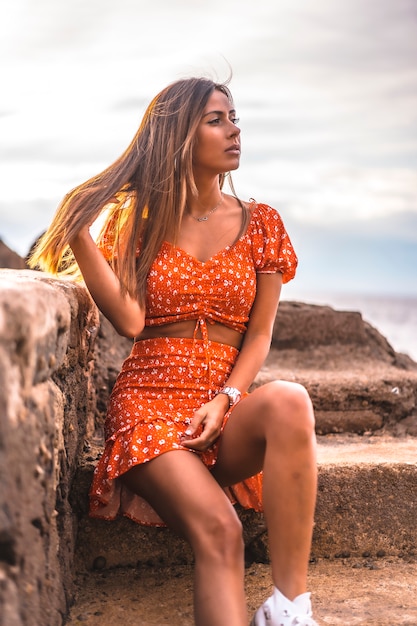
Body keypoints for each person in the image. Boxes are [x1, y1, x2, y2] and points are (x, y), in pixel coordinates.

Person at [29, 76, 318, 626]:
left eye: (235, 118)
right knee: (220, 529)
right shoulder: (141, 221)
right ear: (179, 135)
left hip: (220, 406)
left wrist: (228, 398)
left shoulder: (263, 224)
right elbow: (133, 320)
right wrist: (78, 234)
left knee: (291, 401)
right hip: (151, 409)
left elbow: (259, 335)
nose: (234, 130)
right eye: (217, 119)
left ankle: (289, 607)